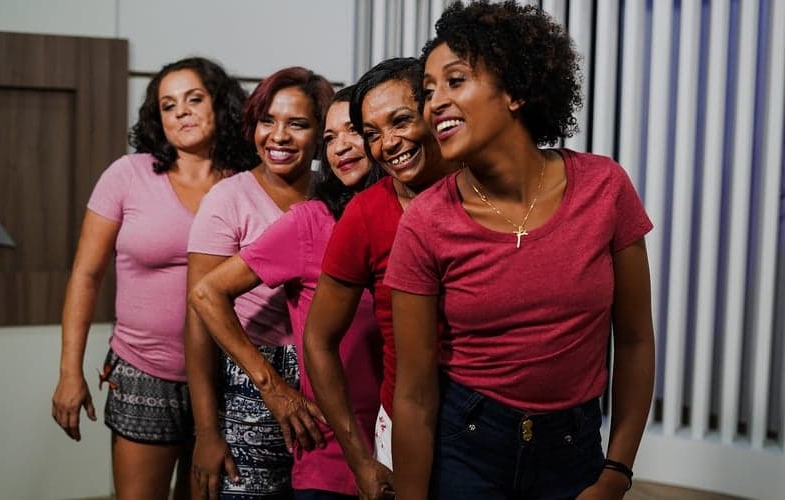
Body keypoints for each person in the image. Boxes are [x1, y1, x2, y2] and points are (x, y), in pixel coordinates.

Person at [384, 2, 656, 499]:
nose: (434, 103)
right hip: (467, 447)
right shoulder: (425, 221)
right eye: (427, 91)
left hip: (573, 450)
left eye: (454, 80)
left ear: (515, 91)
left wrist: (617, 471)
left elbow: (636, 340)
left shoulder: (605, 188)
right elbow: (416, 395)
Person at [51, 57, 257, 500]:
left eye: (193, 98)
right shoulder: (128, 175)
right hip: (146, 374)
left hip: (228, 375)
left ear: (219, 103)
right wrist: (70, 371)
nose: (181, 111)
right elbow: (85, 276)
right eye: (168, 105)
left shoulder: (247, 181)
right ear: (156, 118)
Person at [188, 86, 384, 500]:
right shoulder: (309, 218)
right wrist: (218, 422)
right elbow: (204, 298)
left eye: (353, 131)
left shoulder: (405, 212)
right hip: (305, 418)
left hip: (397, 432)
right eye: (332, 137)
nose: (341, 146)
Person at [302, 58, 456, 500]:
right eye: (372, 133)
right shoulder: (366, 213)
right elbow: (318, 339)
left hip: (490, 426)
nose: (387, 143)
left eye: (401, 120)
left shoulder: (481, 193)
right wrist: (360, 458)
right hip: (404, 423)